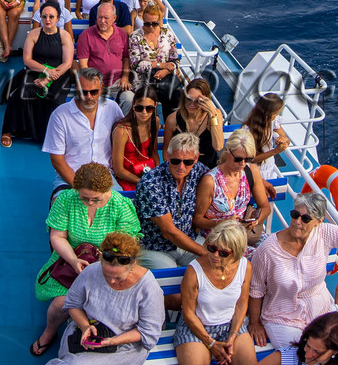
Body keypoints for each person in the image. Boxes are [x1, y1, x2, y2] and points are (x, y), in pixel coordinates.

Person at [22, 231, 163, 365]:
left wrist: (113, 341)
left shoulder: (149, 289)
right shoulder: (91, 271)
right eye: (107, 275)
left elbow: (148, 333)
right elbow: (73, 304)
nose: (112, 282)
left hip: (124, 346)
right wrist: (84, 326)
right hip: (85, 334)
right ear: (101, 260)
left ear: (133, 265)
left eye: (118, 277)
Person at [30, 173, 145, 355]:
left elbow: (126, 246)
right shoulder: (66, 200)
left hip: (109, 263)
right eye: (84, 198)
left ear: (108, 190)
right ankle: (49, 331)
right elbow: (57, 237)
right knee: (61, 303)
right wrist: (74, 260)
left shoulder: (121, 206)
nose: (90, 203)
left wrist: (104, 266)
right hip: (70, 259)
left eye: (96, 199)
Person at [248, 192, 338, 348]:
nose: (297, 222)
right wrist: (255, 323)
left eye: (305, 219)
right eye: (295, 215)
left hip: (320, 308)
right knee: (302, 354)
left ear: (318, 222)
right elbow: (256, 290)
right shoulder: (268, 249)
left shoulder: (324, 232)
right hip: (282, 315)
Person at [175, 220, 257, 365]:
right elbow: (188, 313)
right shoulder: (194, 271)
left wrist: (232, 337)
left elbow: (241, 305)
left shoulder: (245, 267)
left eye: (223, 253)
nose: (215, 255)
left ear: (237, 252)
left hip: (231, 326)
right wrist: (211, 343)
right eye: (212, 249)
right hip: (197, 329)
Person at [2, 0, 75, 147]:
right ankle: (8, 131)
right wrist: (45, 71)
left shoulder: (64, 36)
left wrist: (48, 78)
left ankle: (48, 135)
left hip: (58, 74)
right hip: (36, 70)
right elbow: (27, 60)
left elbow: (67, 63)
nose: (47, 20)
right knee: (21, 94)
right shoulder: (34, 34)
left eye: (51, 17)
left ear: (58, 18)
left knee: (54, 99)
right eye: (44, 16)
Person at [132, 132, 209, 269]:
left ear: (196, 158)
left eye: (187, 162)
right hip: (155, 247)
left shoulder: (199, 171)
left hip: (189, 242)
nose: (181, 166)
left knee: (220, 262)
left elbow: (223, 181)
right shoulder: (151, 182)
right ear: (167, 156)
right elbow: (168, 232)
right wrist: (205, 253)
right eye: (175, 161)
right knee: (171, 275)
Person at [42, 67, 124, 193]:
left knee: (123, 208)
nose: (88, 97)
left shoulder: (113, 108)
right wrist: (80, 188)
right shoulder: (59, 115)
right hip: (69, 178)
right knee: (62, 210)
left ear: (102, 88)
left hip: (105, 177)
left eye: (94, 92)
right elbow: (57, 160)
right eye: (83, 92)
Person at [194, 129, 273, 246]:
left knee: (273, 250)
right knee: (256, 258)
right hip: (220, 237)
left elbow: (265, 207)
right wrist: (222, 222)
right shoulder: (210, 181)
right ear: (227, 151)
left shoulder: (251, 171)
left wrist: (255, 221)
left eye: (248, 159)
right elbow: (197, 220)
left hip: (244, 233)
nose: (243, 164)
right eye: (238, 159)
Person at [75, 1, 132, 104]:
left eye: (106, 18)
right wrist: (92, 83)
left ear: (114, 18)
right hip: (94, 82)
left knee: (129, 99)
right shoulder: (86, 35)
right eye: (100, 17)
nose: (102, 21)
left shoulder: (122, 34)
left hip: (117, 82)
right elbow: (83, 65)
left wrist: (125, 77)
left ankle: (123, 121)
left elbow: (126, 59)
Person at [163, 76, 225, 168]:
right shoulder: (173, 119)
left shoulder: (215, 115)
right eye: (189, 99)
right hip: (182, 167)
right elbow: (166, 151)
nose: (192, 104)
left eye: (197, 101)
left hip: (208, 167)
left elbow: (218, 146)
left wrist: (211, 112)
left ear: (206, 100)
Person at [127, 0, 180, 107]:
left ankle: (170, 122)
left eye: (154, 24)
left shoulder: (168, 34)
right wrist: (161, 65)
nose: (150, 27)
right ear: (142, 20)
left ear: (159, 20)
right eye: (147, 24)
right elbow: (136, 64)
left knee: (175, 96)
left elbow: (175, 60)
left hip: (165, 79)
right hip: (143, 81)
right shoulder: (135, 36)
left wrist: (165, 71)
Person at [109, 87, 159, 191]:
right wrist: (142, 182)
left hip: (148, 172)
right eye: (139, 108)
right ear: (133, 106)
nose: (144, 112)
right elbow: (118, 169)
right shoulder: (122, 130)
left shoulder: (155, 122)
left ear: (155, 107)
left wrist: (157, 175)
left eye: (149, 108)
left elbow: (154, 153)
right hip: (127, 176)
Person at [243, 94, 291, 180]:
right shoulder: (247, 130)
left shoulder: (273, 122)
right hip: (254, 172)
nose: (277, 116)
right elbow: (250, 159)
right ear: (268, 114)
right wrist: (275, 151)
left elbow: (285, 138)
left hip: (269, 168)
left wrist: (284, 140)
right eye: (276, 113)